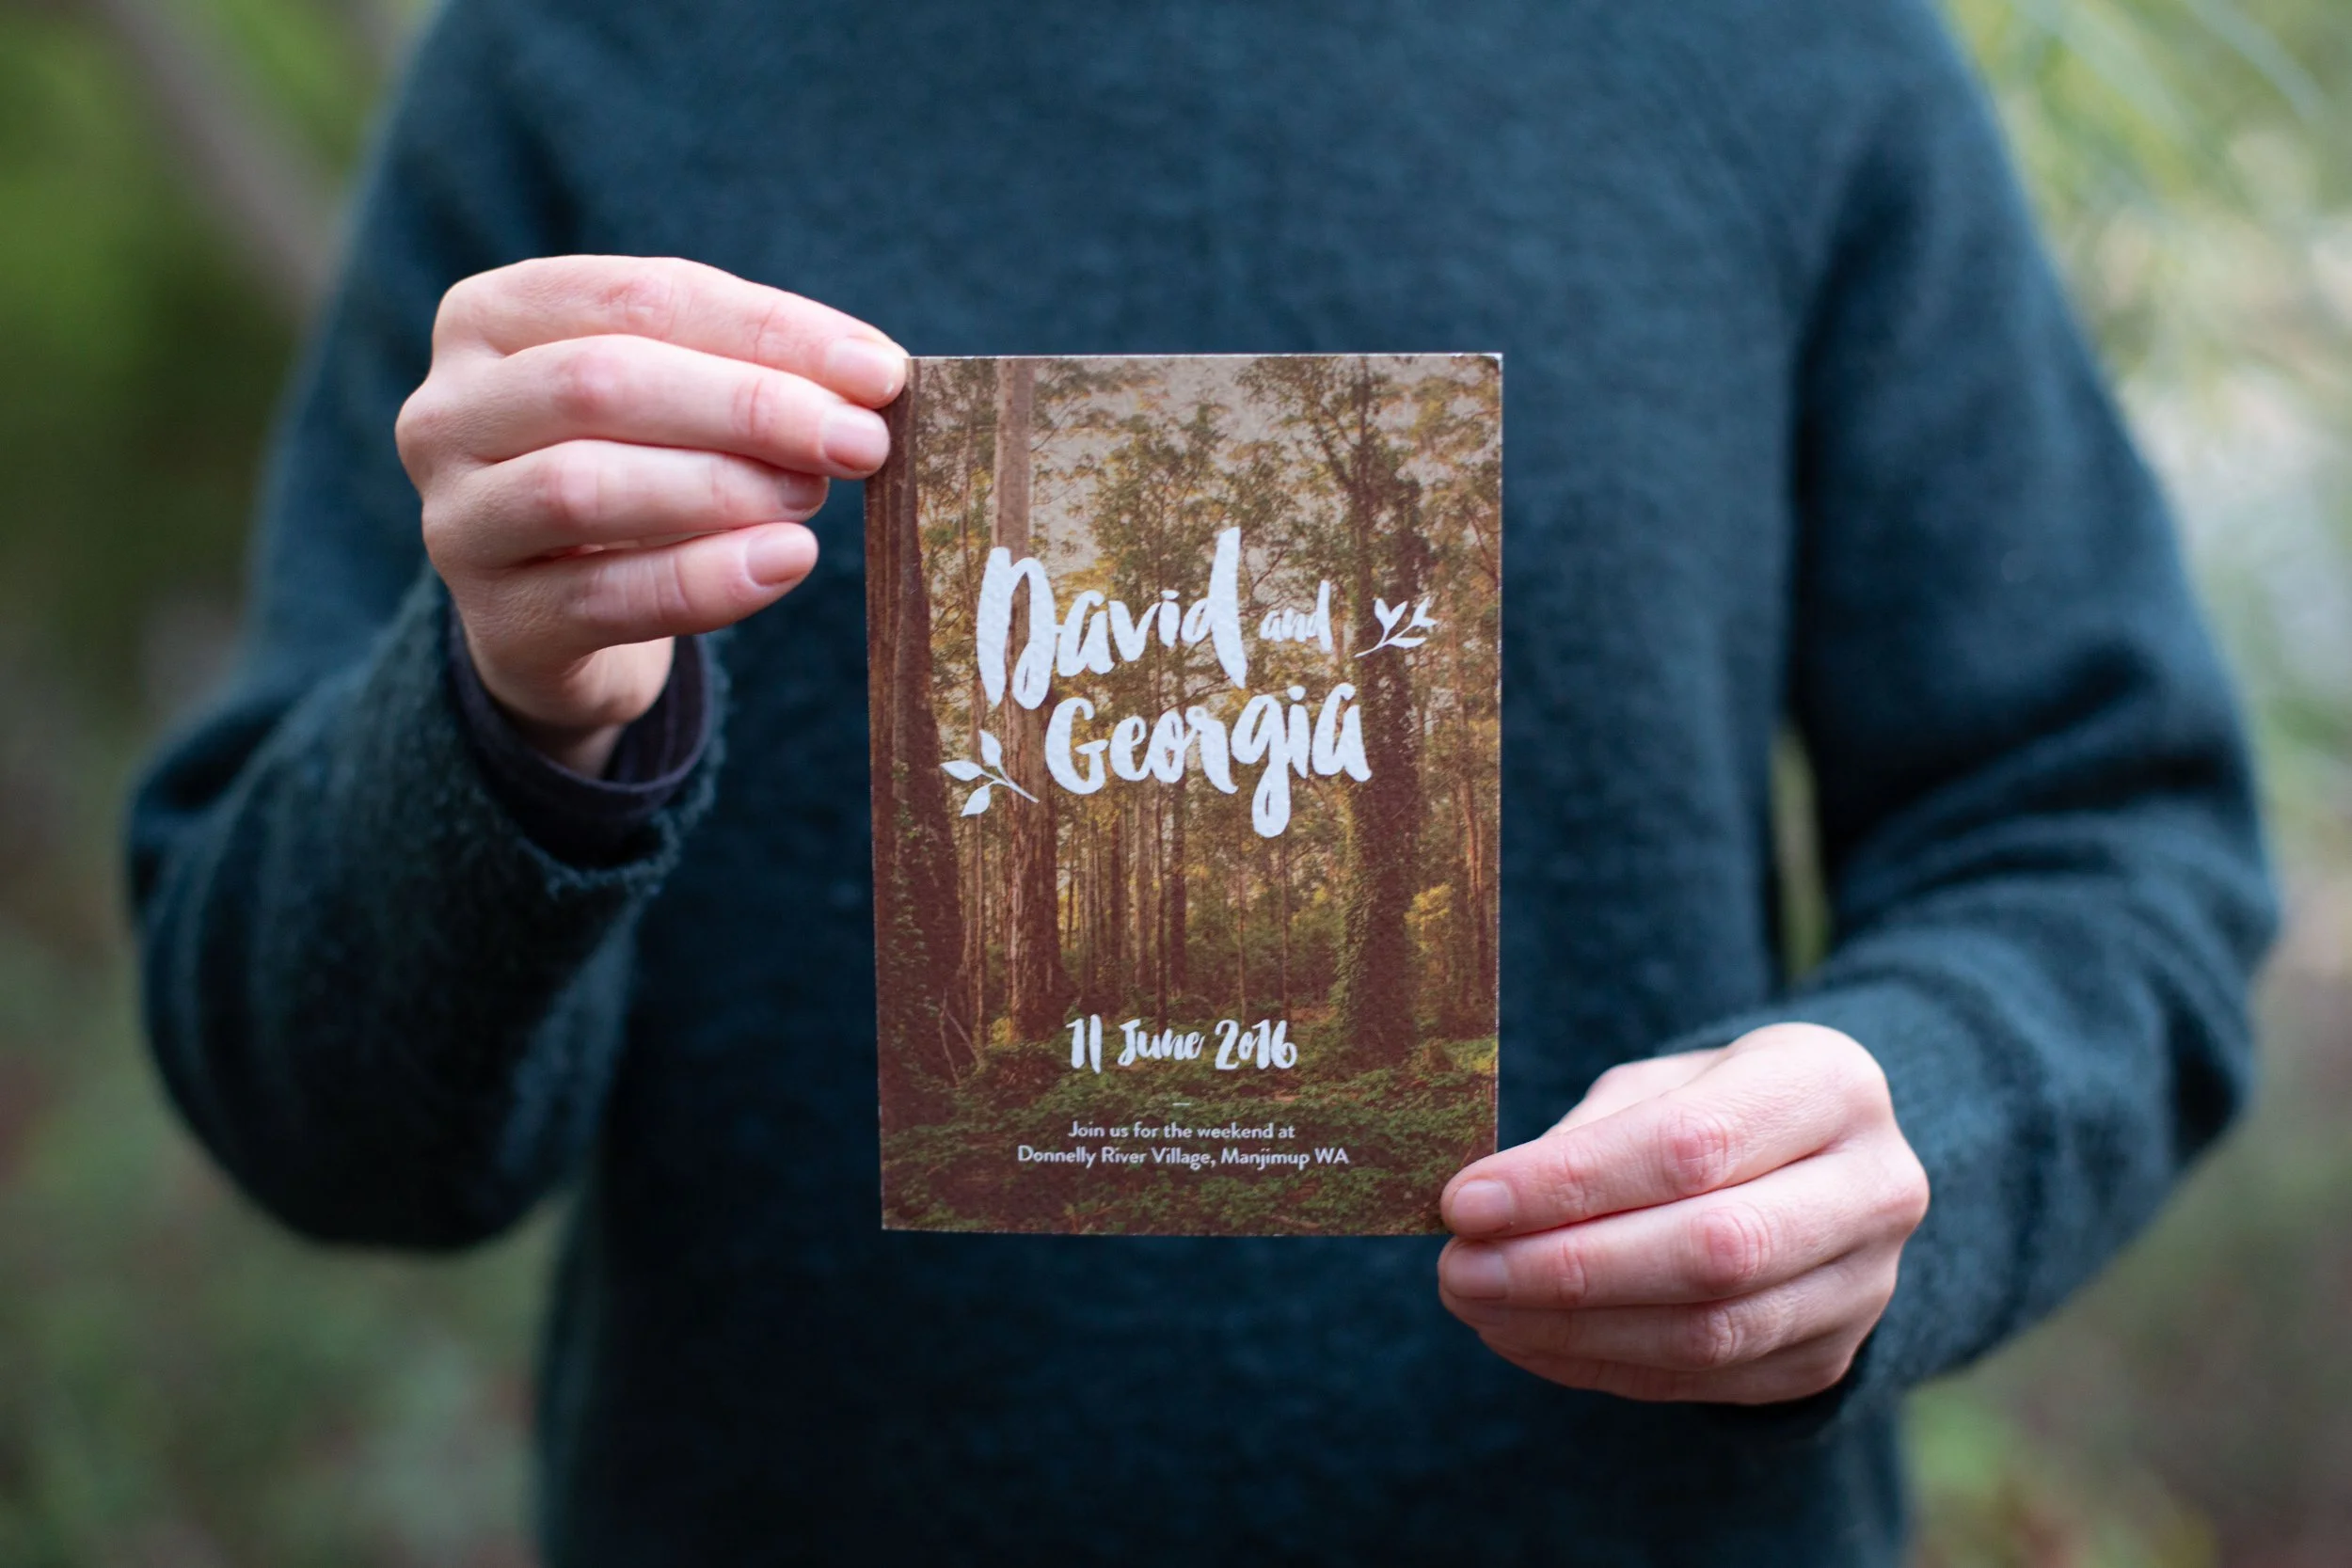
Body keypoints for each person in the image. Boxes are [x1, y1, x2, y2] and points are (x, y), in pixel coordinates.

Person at [126, 0, 2276, 1561]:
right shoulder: (582, 71)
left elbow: (2106, 834)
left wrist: (1918, 1124)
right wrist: (507, 716)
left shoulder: (1790, 62)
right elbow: (312, 1104)